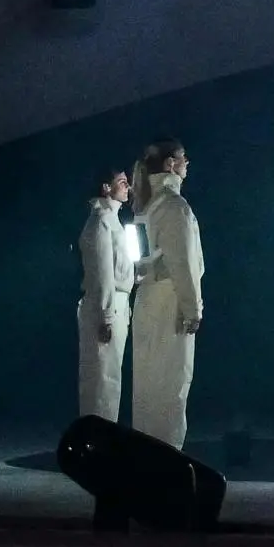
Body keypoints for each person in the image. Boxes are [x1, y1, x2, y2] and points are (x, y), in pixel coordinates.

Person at [129, 139, 204, 451]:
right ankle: (167, 453)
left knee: (147, 382)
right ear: (171, 165)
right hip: (169, 300)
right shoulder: (174, 206)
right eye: (184, 158)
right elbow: (183, 263)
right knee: (173, 380)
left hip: (147, 297)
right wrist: (193, 308)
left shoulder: (144, 205)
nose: (188, 163)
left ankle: (146, 451)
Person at [77, 168, 134, 423]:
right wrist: (107, 316)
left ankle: (103, 436)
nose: (128, 187)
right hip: (106, 307)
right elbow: (103, 275)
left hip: (115, 305)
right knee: (102, 378)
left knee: (109, 377)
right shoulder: (101, 221)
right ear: (106, 188)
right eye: (121, 182)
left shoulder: (113, 221)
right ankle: (97, 439)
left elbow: (120, 270)